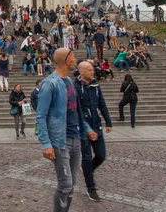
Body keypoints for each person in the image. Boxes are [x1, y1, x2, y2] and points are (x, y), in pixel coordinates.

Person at [36, 48, 97, 212]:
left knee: (72, 184)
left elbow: (76, 112)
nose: (75, 59)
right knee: (66, 183)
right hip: (59, 140)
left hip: (75, 138)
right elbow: (40, 116)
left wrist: (87, 129)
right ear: (66, 60)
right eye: (73, 56)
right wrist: (46, 143)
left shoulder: (70, 83)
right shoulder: (50, 84)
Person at [75, 61, 113, 202]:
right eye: (90, 70)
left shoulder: (96, 85)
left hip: (96, 124)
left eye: (93, 70)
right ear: (82, 72)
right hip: (83, 126)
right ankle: (91, 188)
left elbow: (102, 103)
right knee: (86, 156)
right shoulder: (75, 87)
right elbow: (77, 110)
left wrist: (108, 121)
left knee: (101, 155)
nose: (93, 72)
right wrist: (86, 129)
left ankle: (87, 170)